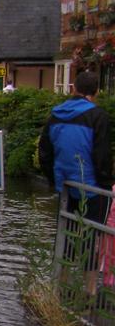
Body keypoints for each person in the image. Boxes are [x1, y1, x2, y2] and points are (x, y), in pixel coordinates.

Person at [38, 70, 112, 294]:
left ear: (74, 88)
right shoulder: (98, 116)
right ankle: (90, 291)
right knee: (92, 238)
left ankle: (61, 287)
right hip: (92, 188)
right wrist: (106, 184)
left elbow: (44, 153)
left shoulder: (56, 115)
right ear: (96, 92)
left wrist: (55, 181)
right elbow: (102, 156)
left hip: (66, 187)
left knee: (66, 235)